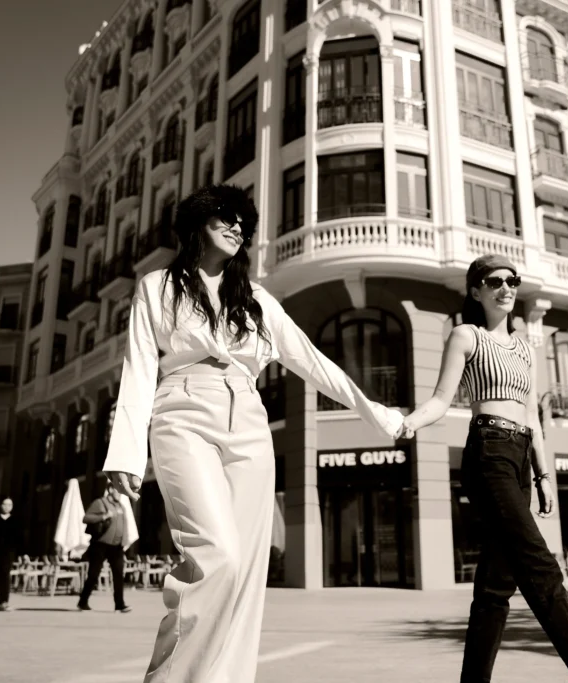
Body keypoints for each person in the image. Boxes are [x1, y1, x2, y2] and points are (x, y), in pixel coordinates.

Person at [102, 184, 403, 682]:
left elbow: (313, 362)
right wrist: (126, 458)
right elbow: (137, 369)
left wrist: (379, 415)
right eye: (226, 216)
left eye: (244, 221)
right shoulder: (157, 286)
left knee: (245, 573)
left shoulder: (257, 299)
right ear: (197, 223)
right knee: (216, 554)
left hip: (248, 420)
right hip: (182, 409)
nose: (238, 226)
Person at [400, 255, 568, 683]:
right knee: (540, 568)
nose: (506, 287)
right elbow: (440, 399)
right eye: (495, 281)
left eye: (513, 280)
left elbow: (532, 415)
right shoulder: (466, 336)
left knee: (496, 587)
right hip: (488, 451)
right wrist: (410, 422)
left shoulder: (526, 347)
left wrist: (544, 475)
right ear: (476, 291)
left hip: (521, 456)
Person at [77, 481, 130, 613]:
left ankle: (120, 604)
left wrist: (124, 540)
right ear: (111, 489)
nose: (120, 494)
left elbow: (124, 525)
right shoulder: (100, 503)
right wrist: (103, 516)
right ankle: (83, 601)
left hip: (117, 547)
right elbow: (86, 518)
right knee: (94, 574)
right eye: (118, 490)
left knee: (118, 575)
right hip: (100, 545)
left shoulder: (121, 507)